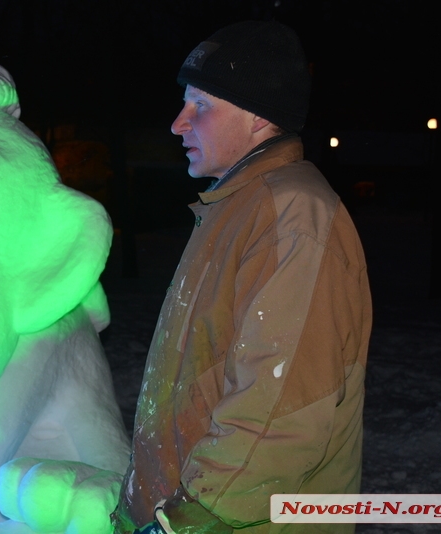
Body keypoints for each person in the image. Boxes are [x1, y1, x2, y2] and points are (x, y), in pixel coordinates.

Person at [111, 20, 372, 533]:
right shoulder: (234, 208)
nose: (178, 124)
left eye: (200, 105)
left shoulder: (292, 216)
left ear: (258, 118)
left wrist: (191, 519)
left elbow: (280, 406)